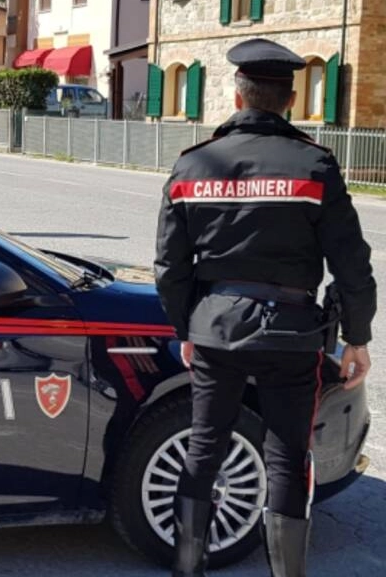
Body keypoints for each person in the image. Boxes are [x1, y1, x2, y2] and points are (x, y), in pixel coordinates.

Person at [154, 38, 376, 577]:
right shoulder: (314, 165)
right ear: (290, 100)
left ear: (237, 97)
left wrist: (187, 326)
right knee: (287, 456)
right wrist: (359, 338)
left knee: (203, 450)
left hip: (215, 330)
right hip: (292, 336)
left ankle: (188, 567)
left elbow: (168, 265)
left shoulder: (191, 167)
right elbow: (351, 262)